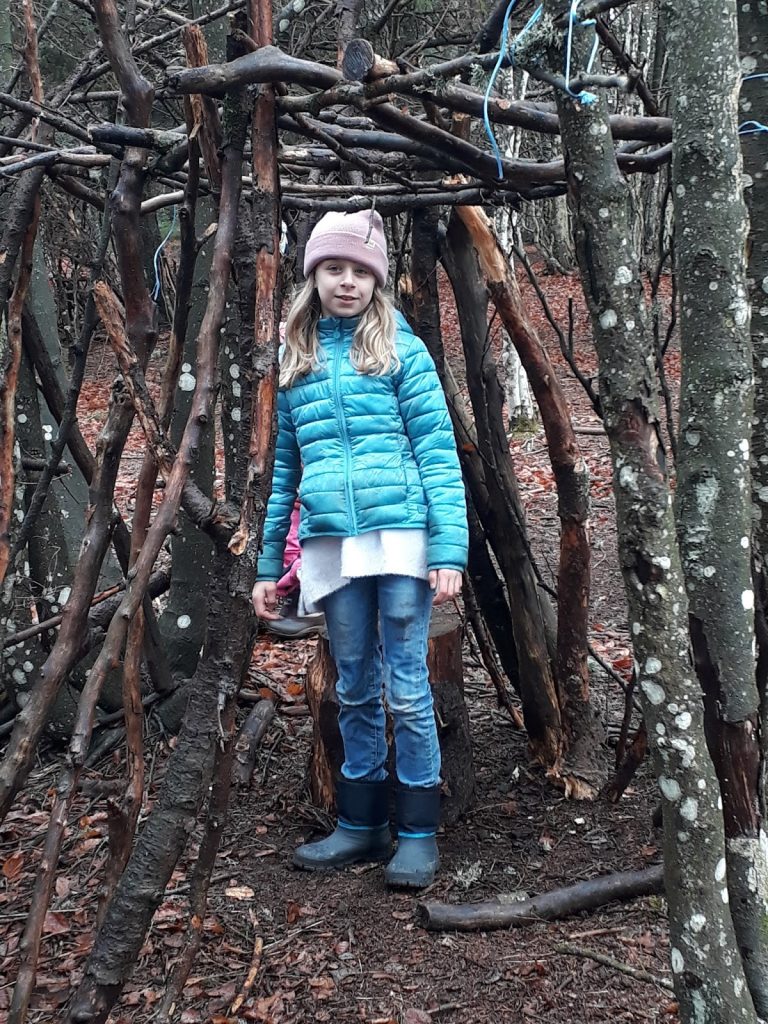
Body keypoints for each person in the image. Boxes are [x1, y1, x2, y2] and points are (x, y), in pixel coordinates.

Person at [252, 209, 468, 888]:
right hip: (331, 546)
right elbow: (281, 471)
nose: (347, 282)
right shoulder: (297, 359)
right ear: (313, 276)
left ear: (377, 281)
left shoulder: (402, 349)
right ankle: (360, 822)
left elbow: (438, 454)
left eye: (360, 272)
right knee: (352, 685)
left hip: (400, 539)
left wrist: (448, 551)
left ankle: (418, 832)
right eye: (333, 269)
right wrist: (268, 566)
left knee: (406, 685)